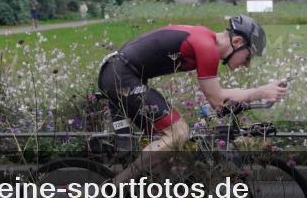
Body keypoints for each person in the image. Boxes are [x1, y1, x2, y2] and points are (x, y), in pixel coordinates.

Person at [97, 14, 286, 183]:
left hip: (120, 73)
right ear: (237, 42)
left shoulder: (206, 40)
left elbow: (214, 97)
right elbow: (217, 100)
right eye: (248, 57)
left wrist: (254, 95)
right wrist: (260, 92)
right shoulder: (207, 46)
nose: (247, 65)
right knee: (178, 133)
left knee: (169, 147)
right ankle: (116, 186)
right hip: (121, 76)